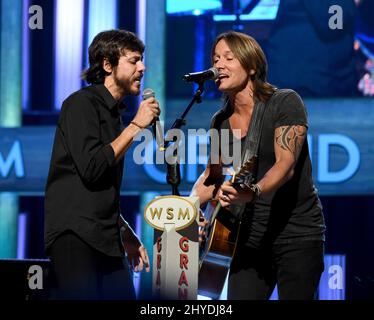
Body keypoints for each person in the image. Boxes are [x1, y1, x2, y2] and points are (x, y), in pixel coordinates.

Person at [192, 31, 326, 300]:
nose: (218, 65)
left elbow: (285, 165)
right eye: (216, 58)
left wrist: (251, 192)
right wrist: (187, 210)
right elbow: (211, 176)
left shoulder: (284, 102)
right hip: (249, 239)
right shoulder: (220, 121)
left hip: (296, 234)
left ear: (252, 66)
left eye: (229, 58)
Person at [44, 29, 159, 299]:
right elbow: (92, 168)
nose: (142, 68)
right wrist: (134, 127)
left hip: (106, 237)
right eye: (133, 60)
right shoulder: (81, 104)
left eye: (141, 60)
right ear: (107, 65)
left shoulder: (114, 116)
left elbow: (98, 190)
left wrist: (125, 231)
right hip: (75, 235)